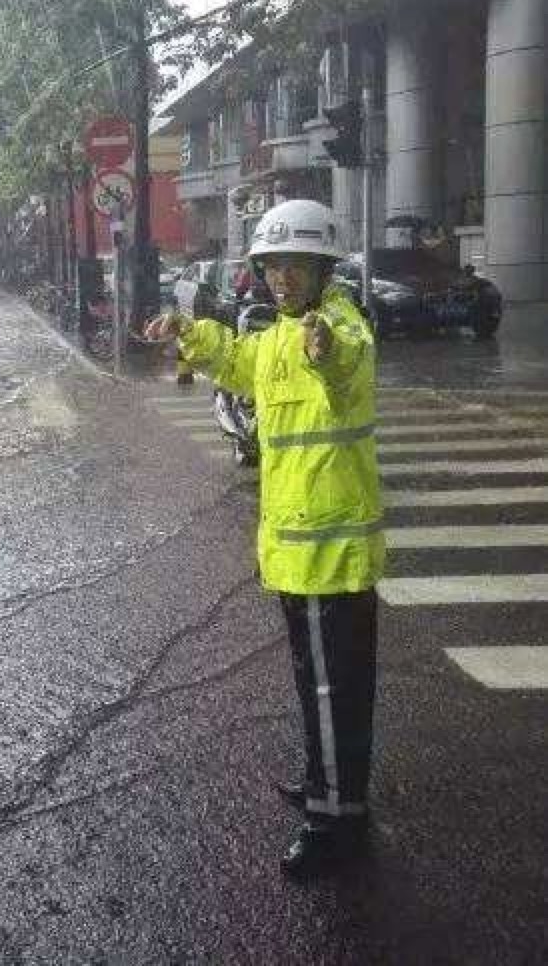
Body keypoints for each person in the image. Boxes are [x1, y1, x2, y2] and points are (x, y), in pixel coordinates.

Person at [145, 199, 384, 879]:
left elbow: (347, 363)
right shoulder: (279, 335)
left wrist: (326, 351)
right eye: (273, 266)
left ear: (324, 269)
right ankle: (324, 782)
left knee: (334, 690)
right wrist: (189, 332)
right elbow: (240, 361)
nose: (282, 278)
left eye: (296, 265)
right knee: (317, 683)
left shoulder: (339, 326)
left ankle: (335, 822)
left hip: (331, 554)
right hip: (297, 550)